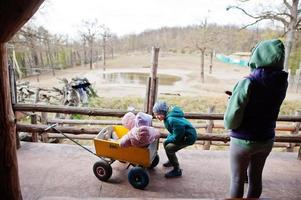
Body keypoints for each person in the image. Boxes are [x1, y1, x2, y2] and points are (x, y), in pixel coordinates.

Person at [224, 39, 288, 198]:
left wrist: (233, 104)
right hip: (266, 139)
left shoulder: (247, 81)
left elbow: (231, 119)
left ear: (258, 55)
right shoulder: (282, 82)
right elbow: (265, 103)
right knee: (256, 179)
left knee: (237, 180)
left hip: (243, 140)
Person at [153, 101, 197, 178]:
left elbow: (178, 135)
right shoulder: (168, 116)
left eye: (158, 114)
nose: (156, 117)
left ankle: (177, 170)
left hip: (188, 137)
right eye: (155, 115)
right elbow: (176, 132)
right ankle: (171, 160)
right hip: (181, 134)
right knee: (165, 143)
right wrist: (168, 139)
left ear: (163, 112)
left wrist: (169, 140)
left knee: (169, 148)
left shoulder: (172, 119)